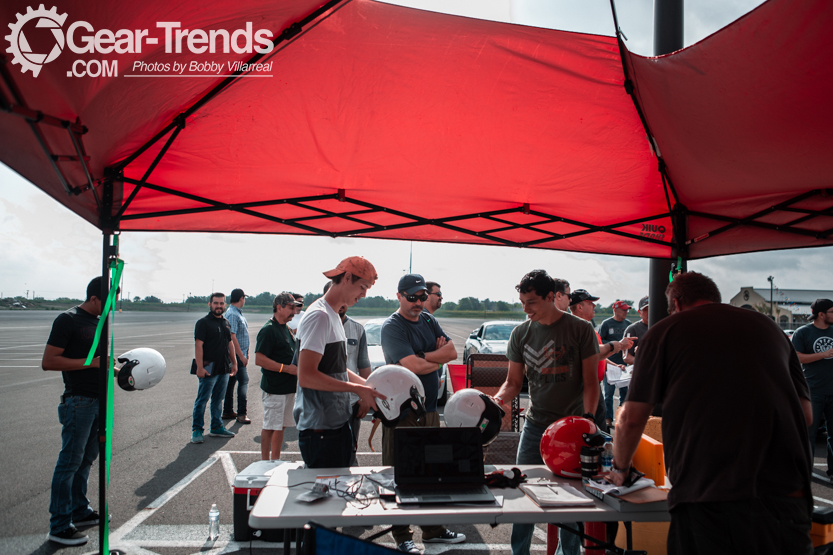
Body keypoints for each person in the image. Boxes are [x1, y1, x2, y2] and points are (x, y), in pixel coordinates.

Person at [610, 272, 813, 555]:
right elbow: (805, 415)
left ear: (676, 303)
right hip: (787, 494)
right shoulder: (771, 329)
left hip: (709, 494)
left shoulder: (666, 330)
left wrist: (620, 469)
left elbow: (630, 419)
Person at [492, 270, 599, 555]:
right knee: (521, 495)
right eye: (522, 302)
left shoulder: (580, 329)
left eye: (532, 302)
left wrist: (587, 422)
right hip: (536, 426)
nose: (525, 309)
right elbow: (513, 382)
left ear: (551, 297)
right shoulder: (521, 333)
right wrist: (498, 400)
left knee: (570, 502)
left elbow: (591, 382)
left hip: (571, 428)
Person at [380, 273, 465, 553]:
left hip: (429, 409)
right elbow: (410, 366)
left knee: (432, 471)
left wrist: (424, 357)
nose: (418, 302)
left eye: (421, 296)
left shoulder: (428, 319)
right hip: (401, 412)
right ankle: (402, 535)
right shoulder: (392, 327)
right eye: (412, 297)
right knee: (399, 474)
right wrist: (431, 357)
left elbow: (452, 353)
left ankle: (433, 530)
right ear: (399, 296)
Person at [293, 256, 385, 469]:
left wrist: (367, 386)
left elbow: (336, 368)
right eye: (363, 287)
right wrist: (356, 389)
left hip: (334, 425)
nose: (364, 294)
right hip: (321, 431)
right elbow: (306, 376)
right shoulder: (320, 316)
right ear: (347, 278)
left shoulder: (332, 314)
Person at [42, 277, 112, 546]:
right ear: (94, 298)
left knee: (86, 460)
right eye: (108, 300)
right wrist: (90, 363)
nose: (111, 305)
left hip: (98, 400)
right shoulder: (68, 319)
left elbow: (99, 363)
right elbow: (49, 362)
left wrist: (124, 373)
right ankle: (59, 525)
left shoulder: (99, 322)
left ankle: (79, 511)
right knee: (69, 462)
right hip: (78, 401)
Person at [322, 280, 372, 465]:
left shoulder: (357, 329)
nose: (342, 303)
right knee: (326, 457)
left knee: (350, 451)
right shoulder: (318, 323)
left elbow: (364, 365)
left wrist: (365, 396)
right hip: (324, 404)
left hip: (351, 402)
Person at [569, 289, 631, 433]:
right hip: (585, 388)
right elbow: (591, 354)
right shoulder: (577, 329)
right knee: (594, 429)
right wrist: (616, 346)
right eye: (590, 303)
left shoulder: (589, 328)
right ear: (579, 307)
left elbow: (596, 356)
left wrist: (616, 364)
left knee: (600, 428)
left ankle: (601, 453)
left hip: (593, 386)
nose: (594, 306)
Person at [256, 292, 302, 460]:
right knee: (271, 426)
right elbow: (260, 359)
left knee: (280, 426)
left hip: (287, 388)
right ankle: (265, 461)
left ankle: (275, 459)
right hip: (275, 388)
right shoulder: (268, 330)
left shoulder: (286, 328)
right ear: (279, 307)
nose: (294, 311)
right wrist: (286, 369)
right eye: (290, 307)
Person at [793, 298, 833, 477]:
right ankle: (804, 474)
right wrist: (823, 354)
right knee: (808, 435)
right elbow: (797, 357)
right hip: (812, 391)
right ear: (821, 314)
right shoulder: (803, 333)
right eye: (832, 312)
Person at [191, 292, 237, 444]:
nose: (219, 306)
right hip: (208, 367)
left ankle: (216, 427)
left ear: (225, 305)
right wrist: (199, 367)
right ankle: (197, 429)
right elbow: (199, 344)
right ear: (210, 304)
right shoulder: (203, 323)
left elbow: (230, 343)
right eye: (216, 303)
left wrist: (234, 363)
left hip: (223, 368)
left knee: (218, 400)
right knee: (202, 400)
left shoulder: (225, 322)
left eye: (221, 303)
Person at [598, 300, 632, 427]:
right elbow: (600, 343)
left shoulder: (628, 324)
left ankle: (621, 418)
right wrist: (616, 344)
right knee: (609, 394)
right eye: (623, 310)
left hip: (624, 365)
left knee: (624, 394)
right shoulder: (607, 324)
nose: (626, 312)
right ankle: (608, 419)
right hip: (610, 365)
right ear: (615, 310)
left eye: (627, 310)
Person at [222, 288, 251, 424]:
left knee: (231, 382)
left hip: (240, 354)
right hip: (236, 356)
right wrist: (240, 356)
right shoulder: (233, 314)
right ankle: (241, 413)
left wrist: (247, 353)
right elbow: (232, 336)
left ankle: (228, 411)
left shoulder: (236, 313)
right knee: (243, 382)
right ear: (241, 298)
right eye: (244, 298)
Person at [622, 296, 649, 365]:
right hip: (641, 370)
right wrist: (643, 363)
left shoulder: (664, 327)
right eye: (646, 310)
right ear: (640, 312)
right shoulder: (632, 329)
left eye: (652, 308)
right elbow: (626, 356)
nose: (649, 312)